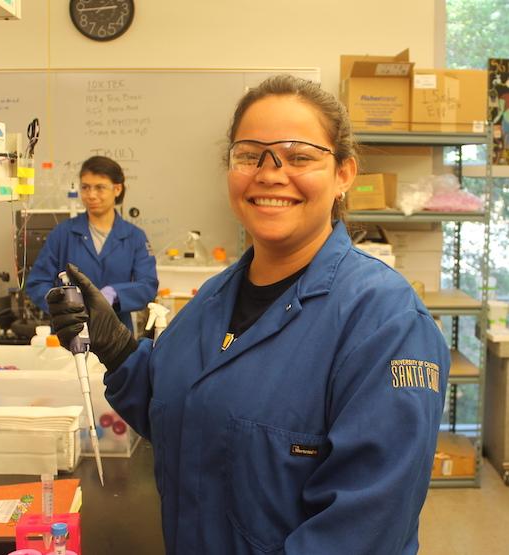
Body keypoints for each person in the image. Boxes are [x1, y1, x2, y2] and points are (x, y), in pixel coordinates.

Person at [47, 76, 449, 554]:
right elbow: (184, 418)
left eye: (299, 156)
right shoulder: (211, 301)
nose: (270, 173)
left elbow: (360, 530)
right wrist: (117, 350)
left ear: (344, 174)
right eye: (249, 154)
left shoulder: (385, 321)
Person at [26, 155, 158, 332]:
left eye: (100, 188)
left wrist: (115, 294)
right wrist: (61, 303)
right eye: (85, 187)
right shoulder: (62, 234)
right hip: (70, 331)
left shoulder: (134, 237)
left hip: (117, 332)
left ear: (117, 189)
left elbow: (147, 285)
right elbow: (37, 282)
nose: (91, 195)